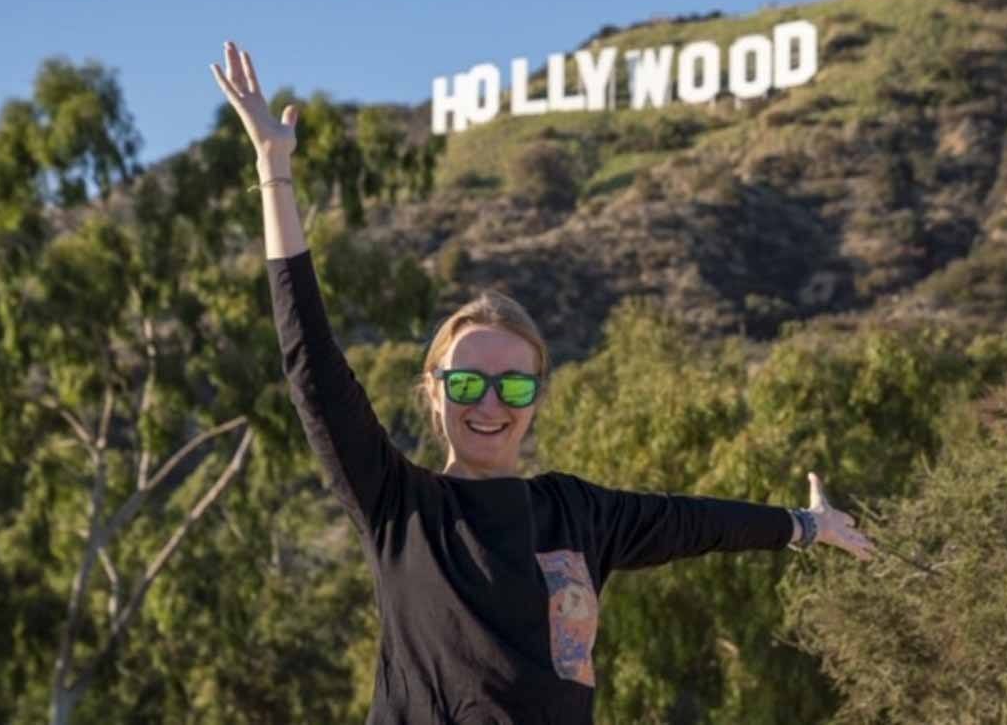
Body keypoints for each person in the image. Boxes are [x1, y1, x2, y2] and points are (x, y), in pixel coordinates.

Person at [211, 40, 876, 725]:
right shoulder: (400, 508)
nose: (492, 404)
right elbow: (312, 367)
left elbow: (696, 521)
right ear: (435, 390)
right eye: (469, 383)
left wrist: (803, 525)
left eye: (515, 387)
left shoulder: (577, 513)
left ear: (537, 398)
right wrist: (274, 173)